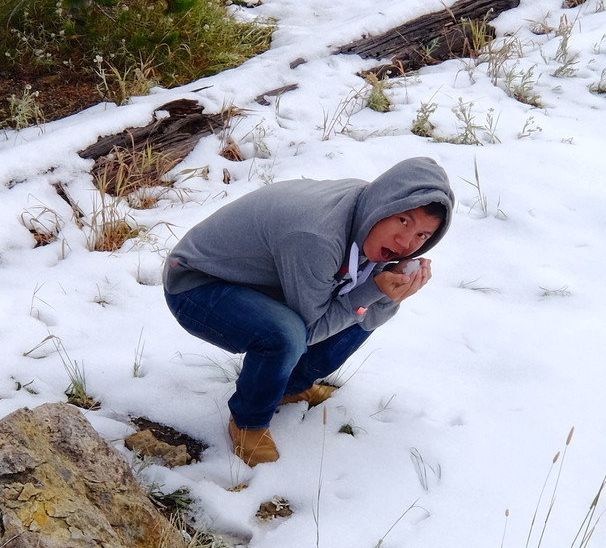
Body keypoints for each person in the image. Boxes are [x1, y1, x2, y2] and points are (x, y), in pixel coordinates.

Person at [163, 155, 453, 465]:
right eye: (404, 221)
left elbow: (360, 312)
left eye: (422, 235)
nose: (406, 242)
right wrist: (373, 291)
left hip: (262, 279)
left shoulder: (369, 220)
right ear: (385, 204)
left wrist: (388, 295)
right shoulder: (317, 235)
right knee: (286, 333)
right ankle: (248, 421)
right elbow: (309, 330)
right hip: (196, 283)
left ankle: (289, 387)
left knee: (357, 307)